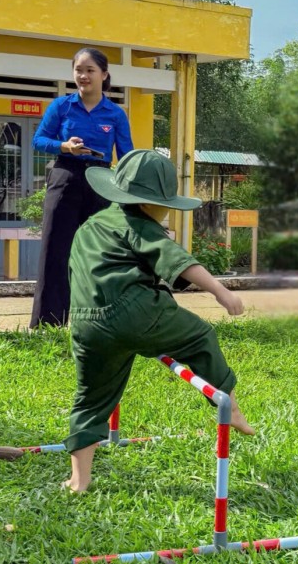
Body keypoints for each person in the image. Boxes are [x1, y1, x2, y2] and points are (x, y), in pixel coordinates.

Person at [62, 149, 254, 493]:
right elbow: (179, 261)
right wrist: (221, 292)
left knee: (90, 398)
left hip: (85, 321)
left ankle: (79, 480)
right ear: (149, 204)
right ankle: (231, 407)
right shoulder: (140, 226)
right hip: (134, 310)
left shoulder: (90, 226)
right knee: (200, 337)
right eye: (165, 205)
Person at [30, 48, 133, 328]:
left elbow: (126, 154)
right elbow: (38, 140)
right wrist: (63, 146)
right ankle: (48, 323)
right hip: (65, 176)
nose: (83, 76)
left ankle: (93, 322)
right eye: (79, 70)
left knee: (96, 252)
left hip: (101, 181)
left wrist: (130, 188)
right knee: (55, 249)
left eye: (90, 70)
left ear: (104, 75)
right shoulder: (61, 106)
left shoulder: (115, 114)